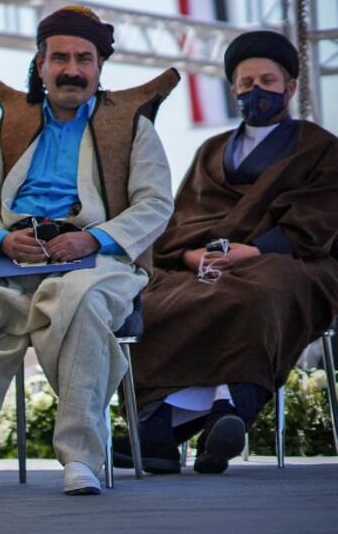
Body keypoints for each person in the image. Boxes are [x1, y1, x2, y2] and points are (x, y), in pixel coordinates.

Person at [0, 5, 175, 496]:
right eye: (60, 58)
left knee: (77, 301)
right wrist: (0, 238)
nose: (71, 69)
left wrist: (93, 237)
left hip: (99, 259)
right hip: (13, 254)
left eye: (84, 58)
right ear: (40, 63)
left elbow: (156, 203)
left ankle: (81, 458)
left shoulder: (133, 127)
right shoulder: (7, 127)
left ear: (100, 68)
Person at [120, 30, 338, 475]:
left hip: (291, 259)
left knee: (257, 291)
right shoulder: (210, 151)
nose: (256, 91)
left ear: (290, 87)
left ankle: (224, 406)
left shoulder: (321, 147)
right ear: (233, 89)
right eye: (245, 82)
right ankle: (161, 422)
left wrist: (253, 249)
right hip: (201, 262)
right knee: (153, 300)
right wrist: (188, 257)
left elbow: (322, 215)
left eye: (268, 81)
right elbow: (178, 219)